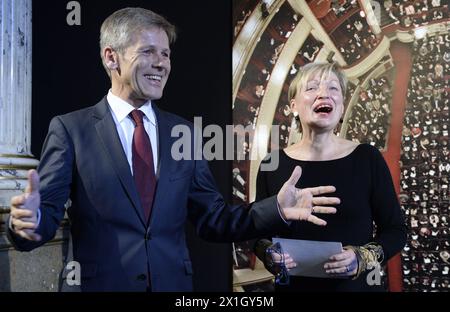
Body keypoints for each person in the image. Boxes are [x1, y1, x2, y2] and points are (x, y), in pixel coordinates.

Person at [7, 8, 340, 292]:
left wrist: (275, 209)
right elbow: (42, 219)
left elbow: (214, 219)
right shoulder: (70, 130)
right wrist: (28, 223)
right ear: (112, 57)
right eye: (148, 52)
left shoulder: (183, 132)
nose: (161, 64)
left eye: (165, 54)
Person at [254, 62, 407, 292]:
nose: (324, 94)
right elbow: (257, 234)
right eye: (312, 88)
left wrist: (361, 257)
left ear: (342, 106)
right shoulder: (271, 164)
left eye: (333, 88)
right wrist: (270, 255)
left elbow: (396, 230)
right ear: (293, 105)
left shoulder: (367, 158)